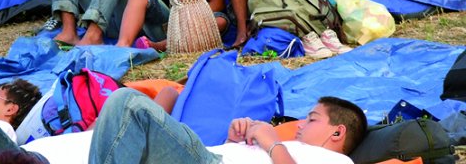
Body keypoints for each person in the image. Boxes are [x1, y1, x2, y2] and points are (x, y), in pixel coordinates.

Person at [32, 88, 367, 164]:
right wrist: (234, 141)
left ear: (337, 132)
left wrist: (270, 141)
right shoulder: (296, 149)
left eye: (312, 119)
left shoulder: (336, 161)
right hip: (208, 156)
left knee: (128, 103)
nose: (300, 125)